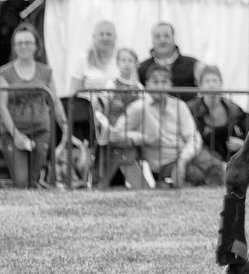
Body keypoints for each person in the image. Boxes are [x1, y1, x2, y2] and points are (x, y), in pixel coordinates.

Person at [0, 24, 67, 189]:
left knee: (34, 179)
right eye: (19, 43)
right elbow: (1, 107)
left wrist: (65, 126)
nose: (23, 46)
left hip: (41, 130)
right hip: (13, 131)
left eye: (28, 42)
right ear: (14, 46)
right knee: (21, 180)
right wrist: (16, 134)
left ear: (36, 46)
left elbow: (54, 101)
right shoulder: (4, 73)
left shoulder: (46, 72)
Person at [118, 63, 202, 188]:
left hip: (186, 156)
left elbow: (194, 137)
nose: (160, 86)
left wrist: (183, 159)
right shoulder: (138, 108)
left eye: (164, 82)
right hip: (163, 164)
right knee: (198, 176)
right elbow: (117, 133)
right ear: (146, 84)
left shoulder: (179, 106)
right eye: (155, 82)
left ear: (170, 84)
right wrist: (142, 137)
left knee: (220, 170)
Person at [187, 65, 249, 185]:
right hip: (202, 161)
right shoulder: (190, 109)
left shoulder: (234, 109)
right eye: (207, 81)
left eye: (215, 81)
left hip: (231, 162)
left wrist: (243, 145)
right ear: (200, 86)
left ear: (221, 84)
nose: (211, 84)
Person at [94, 47, 148, 188]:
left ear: (135, 64)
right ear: (117, 63)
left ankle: (104, 183)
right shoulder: (111, 84)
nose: (126, 63)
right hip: (114, 129)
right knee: (122, 146)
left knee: (127, 147)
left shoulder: (139, 87)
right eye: (123, 60)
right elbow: (102, 106)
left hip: (133, 130)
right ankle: (107, 182)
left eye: (130, 60)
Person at [137, 22, 201, 98]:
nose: (162, 40)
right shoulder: (142, 68)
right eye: (158, 36)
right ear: (152, 40)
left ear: (173, 38)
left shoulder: (192, 64)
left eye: (166, 36)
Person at [69, 20, 119, 97]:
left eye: (109, 34)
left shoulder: (122, 59)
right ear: (94, 37)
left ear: (115, 37)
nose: (105, 38)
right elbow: (73, 91)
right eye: (101, 34)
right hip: (88, 107)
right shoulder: (83, 59)